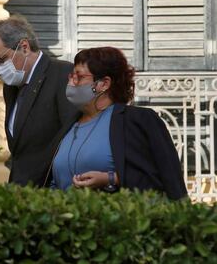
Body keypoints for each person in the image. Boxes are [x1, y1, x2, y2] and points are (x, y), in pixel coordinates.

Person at [49, 47, 187, 200]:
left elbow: (165, 179)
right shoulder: (69, 125)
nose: (71, 82)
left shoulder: (137, 120)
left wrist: (111, 179)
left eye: (79, 77)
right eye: (71, 76)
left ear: (103, 84)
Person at [0, 15, 76, 186]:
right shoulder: (11, 87)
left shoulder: (63, 74)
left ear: (24, 47)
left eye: (1, 60)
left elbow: (70, 139)